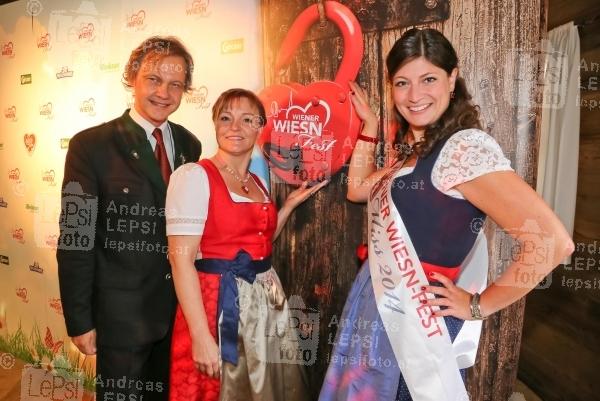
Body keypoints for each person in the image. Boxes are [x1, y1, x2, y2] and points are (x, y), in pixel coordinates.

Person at [319, 28, 574, 401]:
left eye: (429, 79)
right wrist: (370, 129)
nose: (414, 95)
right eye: (402, 82)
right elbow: (357, 189)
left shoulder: (463, 148)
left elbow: (552, 243)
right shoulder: (417, 151)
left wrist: (477, 304)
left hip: (420, 322)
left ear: (452, 78)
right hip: (382, 306)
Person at [57, 36, 202, 401]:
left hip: (177, 314)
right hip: (120, 319)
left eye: (175, 84)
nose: (164, 93)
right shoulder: (91, 145)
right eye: (154, 79)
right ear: (132, 77)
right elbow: (76, 236)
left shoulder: (190, 144)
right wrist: (80, 319)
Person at [166, 88, 327, 401]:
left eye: (246, 119)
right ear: (215, 125)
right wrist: (200, 336)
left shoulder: (258, 182)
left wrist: (287, 207)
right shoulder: (195, 177)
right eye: (225, 118)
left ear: (260, 127)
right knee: (224, 387)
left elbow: (258, 245)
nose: (234, 127)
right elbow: (180, 260)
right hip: (220, 303)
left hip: (267, 302)